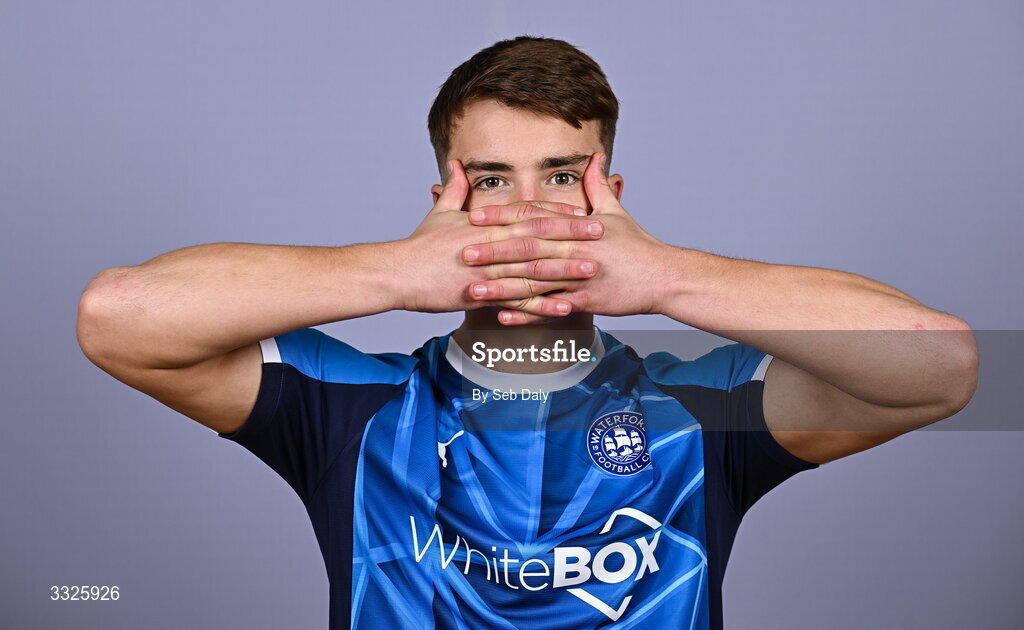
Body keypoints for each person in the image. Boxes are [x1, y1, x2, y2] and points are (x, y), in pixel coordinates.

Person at [76, 36, 978, 630]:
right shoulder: (348, 411)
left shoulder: (704, 413)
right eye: (493, 182)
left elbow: (943, 366)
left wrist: (665, 278)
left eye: (560, 177)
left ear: (610, 199)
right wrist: (393, 273)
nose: (527, 216)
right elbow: (118, 316)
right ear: (445, 203)